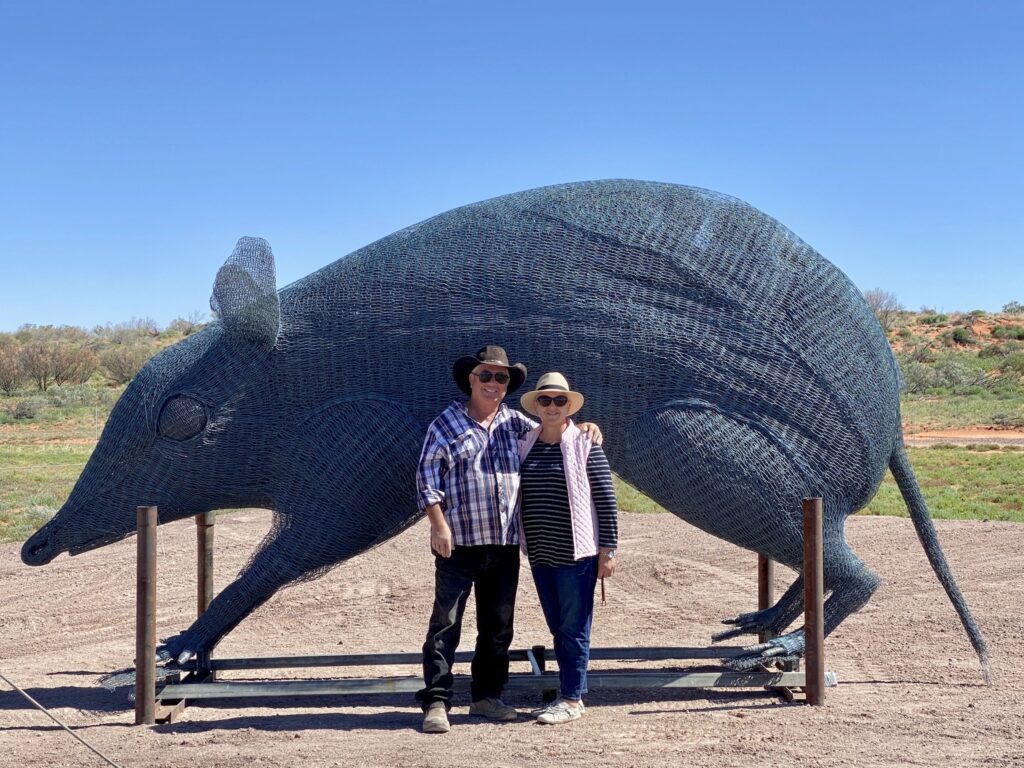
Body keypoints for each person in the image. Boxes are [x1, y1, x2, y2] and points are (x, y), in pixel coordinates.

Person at [415, 346, 601, 734]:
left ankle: (487, 696)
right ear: (471, 379)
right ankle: (436, 701)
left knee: (497, 628)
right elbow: (427, 479)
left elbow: (556, 429)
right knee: (445, 624)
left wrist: (584, 427)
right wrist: (438, 525)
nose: (494, 384)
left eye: (501, 378)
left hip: (503, 544)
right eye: (487, 375)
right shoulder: (446, 424)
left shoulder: (517, 425)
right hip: (459, 543)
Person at [517, 372, 618, 725]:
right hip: (541, 553)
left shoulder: (586, 443)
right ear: (537, 406)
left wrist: (609, 550)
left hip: (577, 555)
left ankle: (573, 699)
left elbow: (606, 500)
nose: (552, 406)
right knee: (558, 626)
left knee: (574, 626)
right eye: (545, 400)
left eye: (560, 401)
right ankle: (566, 692)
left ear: (569, 406)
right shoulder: (524, 442)